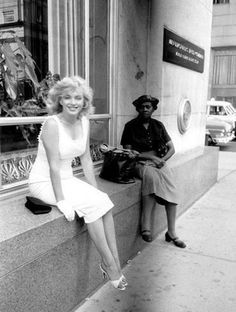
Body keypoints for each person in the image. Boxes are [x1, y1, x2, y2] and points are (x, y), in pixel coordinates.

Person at [28, 76, 127, 290]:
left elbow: (86, 159)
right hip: (44, 181)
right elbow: (54, 166)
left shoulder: (84, 121)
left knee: (104, 201)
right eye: (68, 97)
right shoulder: (52, 125)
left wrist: (94, 188)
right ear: (60, 100)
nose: (73, 102)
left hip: (67, 178)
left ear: (84, 101)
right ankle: (109, 265)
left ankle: (116, 261)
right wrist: (61, 201)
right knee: (93, 206)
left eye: (78, 98)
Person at [120, 95, 186, 248]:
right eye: (142, 107)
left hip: (158, 163)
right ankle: (146, 227)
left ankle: (171, 232)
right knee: (151, 178)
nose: (145, 109)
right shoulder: (130, 126)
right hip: (138, 163)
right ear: (137, 108)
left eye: (148, 107)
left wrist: (162, 160)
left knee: (172, 188)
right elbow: (128, 153)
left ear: (153, 109)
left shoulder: (159, 125)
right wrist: (150, 158)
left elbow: (172, 148)